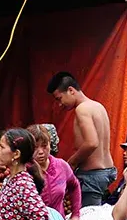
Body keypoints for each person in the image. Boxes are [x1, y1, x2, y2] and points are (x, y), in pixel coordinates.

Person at [48, 72, 115, 207]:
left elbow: (92, 142)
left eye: (59, 98)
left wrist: (71, 163)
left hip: (93, 175)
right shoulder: (97, 106)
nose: (60, 104)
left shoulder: (82, 109)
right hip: (106, 170)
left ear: (71, 90)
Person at [28, 123, 81, 220]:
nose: (40, 152)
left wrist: (76, 215)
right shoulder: (24, 171)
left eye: (44, 146)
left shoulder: (61, 166)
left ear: (50, 145)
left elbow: (74, 186)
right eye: (35, 147)